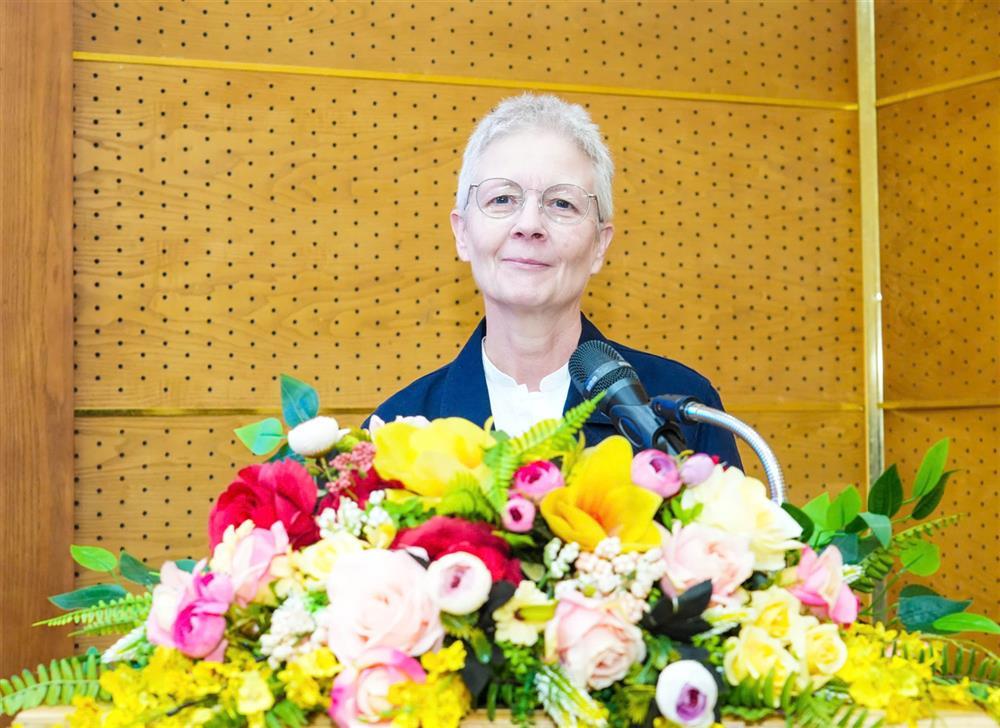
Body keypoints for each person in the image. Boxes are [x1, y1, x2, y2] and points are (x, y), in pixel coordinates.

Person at [367, 94, 741, 467]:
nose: (529, 225)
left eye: (562, 203)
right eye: (502, 199)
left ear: (599, 244)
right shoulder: (398, 432)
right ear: (462, 233)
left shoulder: (683, 410)